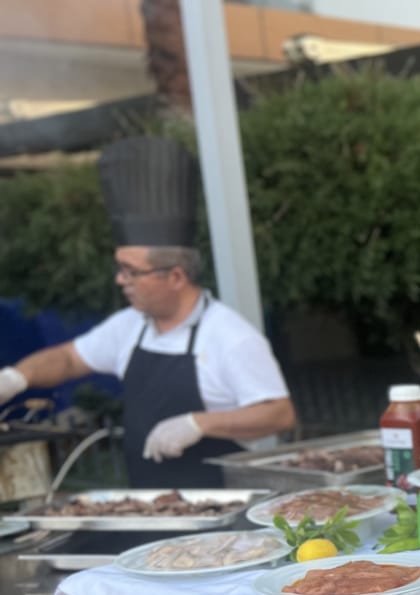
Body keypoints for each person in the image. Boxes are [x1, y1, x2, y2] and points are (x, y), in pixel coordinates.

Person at [0, 137, 294, 487]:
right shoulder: (130, 326)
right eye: (120, 269)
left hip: (224, 505)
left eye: (131, 271)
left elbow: (279, 413)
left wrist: (199, 424)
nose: (120, 280)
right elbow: (68, 359)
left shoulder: (230, 337)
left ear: (176, 277)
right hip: (149, 503)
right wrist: (16, 378)